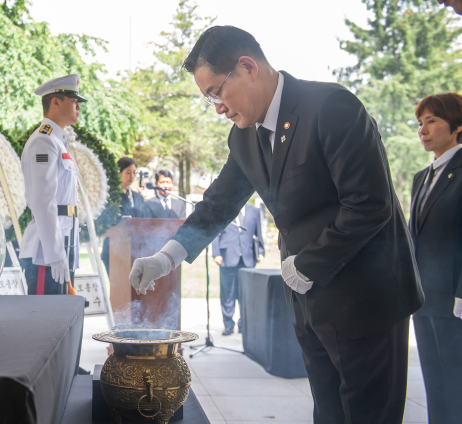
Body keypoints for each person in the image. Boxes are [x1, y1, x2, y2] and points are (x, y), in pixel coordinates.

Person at [129, 26, 423, 424]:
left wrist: (306, 265)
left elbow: (369, 206)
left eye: (216, 91)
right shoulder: (244, 137)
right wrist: (167, 257)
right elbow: (218, 204)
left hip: (365, 301)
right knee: (329, 413)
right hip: (310, 301)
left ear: (247, 66)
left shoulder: (331, 107)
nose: (216, 106)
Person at [410, 92, 462, 424]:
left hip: (454, 300)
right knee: (434, 382)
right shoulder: (421, 177)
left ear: (457, 127)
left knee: (456, 384)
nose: (423, 130)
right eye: (420, 123)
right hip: (423, 297)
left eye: (432, 121)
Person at [20, 74, 86, 295]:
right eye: (73, 101)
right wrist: (55, 253)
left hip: (63, 243)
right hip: (46, 252)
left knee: (62, 321)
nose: (78, 106)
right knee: (43, 323)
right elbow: (42, 201)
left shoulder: (57, 141)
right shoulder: (44, 140)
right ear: (56, 102)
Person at [212, 202, 264, 335]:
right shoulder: (224, 208)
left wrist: (261, 251)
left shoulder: (254, 210)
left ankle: (244, 324)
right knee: (227, 294)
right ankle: (228, 324)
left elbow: (258, 232)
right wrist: (216, 253)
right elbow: (215, 232)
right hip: (227, 257)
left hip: (247, 258)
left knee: (247, 294)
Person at [101, 157, 149, 275]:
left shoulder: (138, 197)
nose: (132, 176)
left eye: (134, 172)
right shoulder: (110, 196)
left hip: (136, 250)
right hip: (114, 249)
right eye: (128, 172)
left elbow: (143, 220)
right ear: (119, 173)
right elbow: (107, 220)